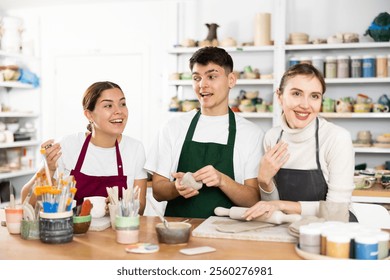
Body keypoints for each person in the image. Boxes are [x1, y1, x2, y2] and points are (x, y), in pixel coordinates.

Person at [145, 46, 264, 219]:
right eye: (197, 78)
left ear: (231, 80)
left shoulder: (251, 134)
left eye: (212, 76)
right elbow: (158, 191)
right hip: (179, 232)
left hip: (228, 234)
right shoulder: (172, 127)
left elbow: (253, 200)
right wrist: (176, 188)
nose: (202, 85)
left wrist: (222, 180)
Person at [243, 63, 355, 221]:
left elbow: (336, 210)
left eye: (314, 96)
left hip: (332, 232)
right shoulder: (272, 137)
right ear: (280, 97)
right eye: (296, 94)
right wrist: (264, 181)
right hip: (287, 228)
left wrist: (281, 205)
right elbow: (270, 207)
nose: (305, 105)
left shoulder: (336, 138)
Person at [21, 81, 147, 214]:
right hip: (73, 232)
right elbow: (26, 202)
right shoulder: (67, 145)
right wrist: (49, 169)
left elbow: (141, 208)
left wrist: (121, 208)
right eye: (108, 105)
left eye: (122, 104)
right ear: (89, 115)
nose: (119, 111)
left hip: (118, 232)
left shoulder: (135, 149)